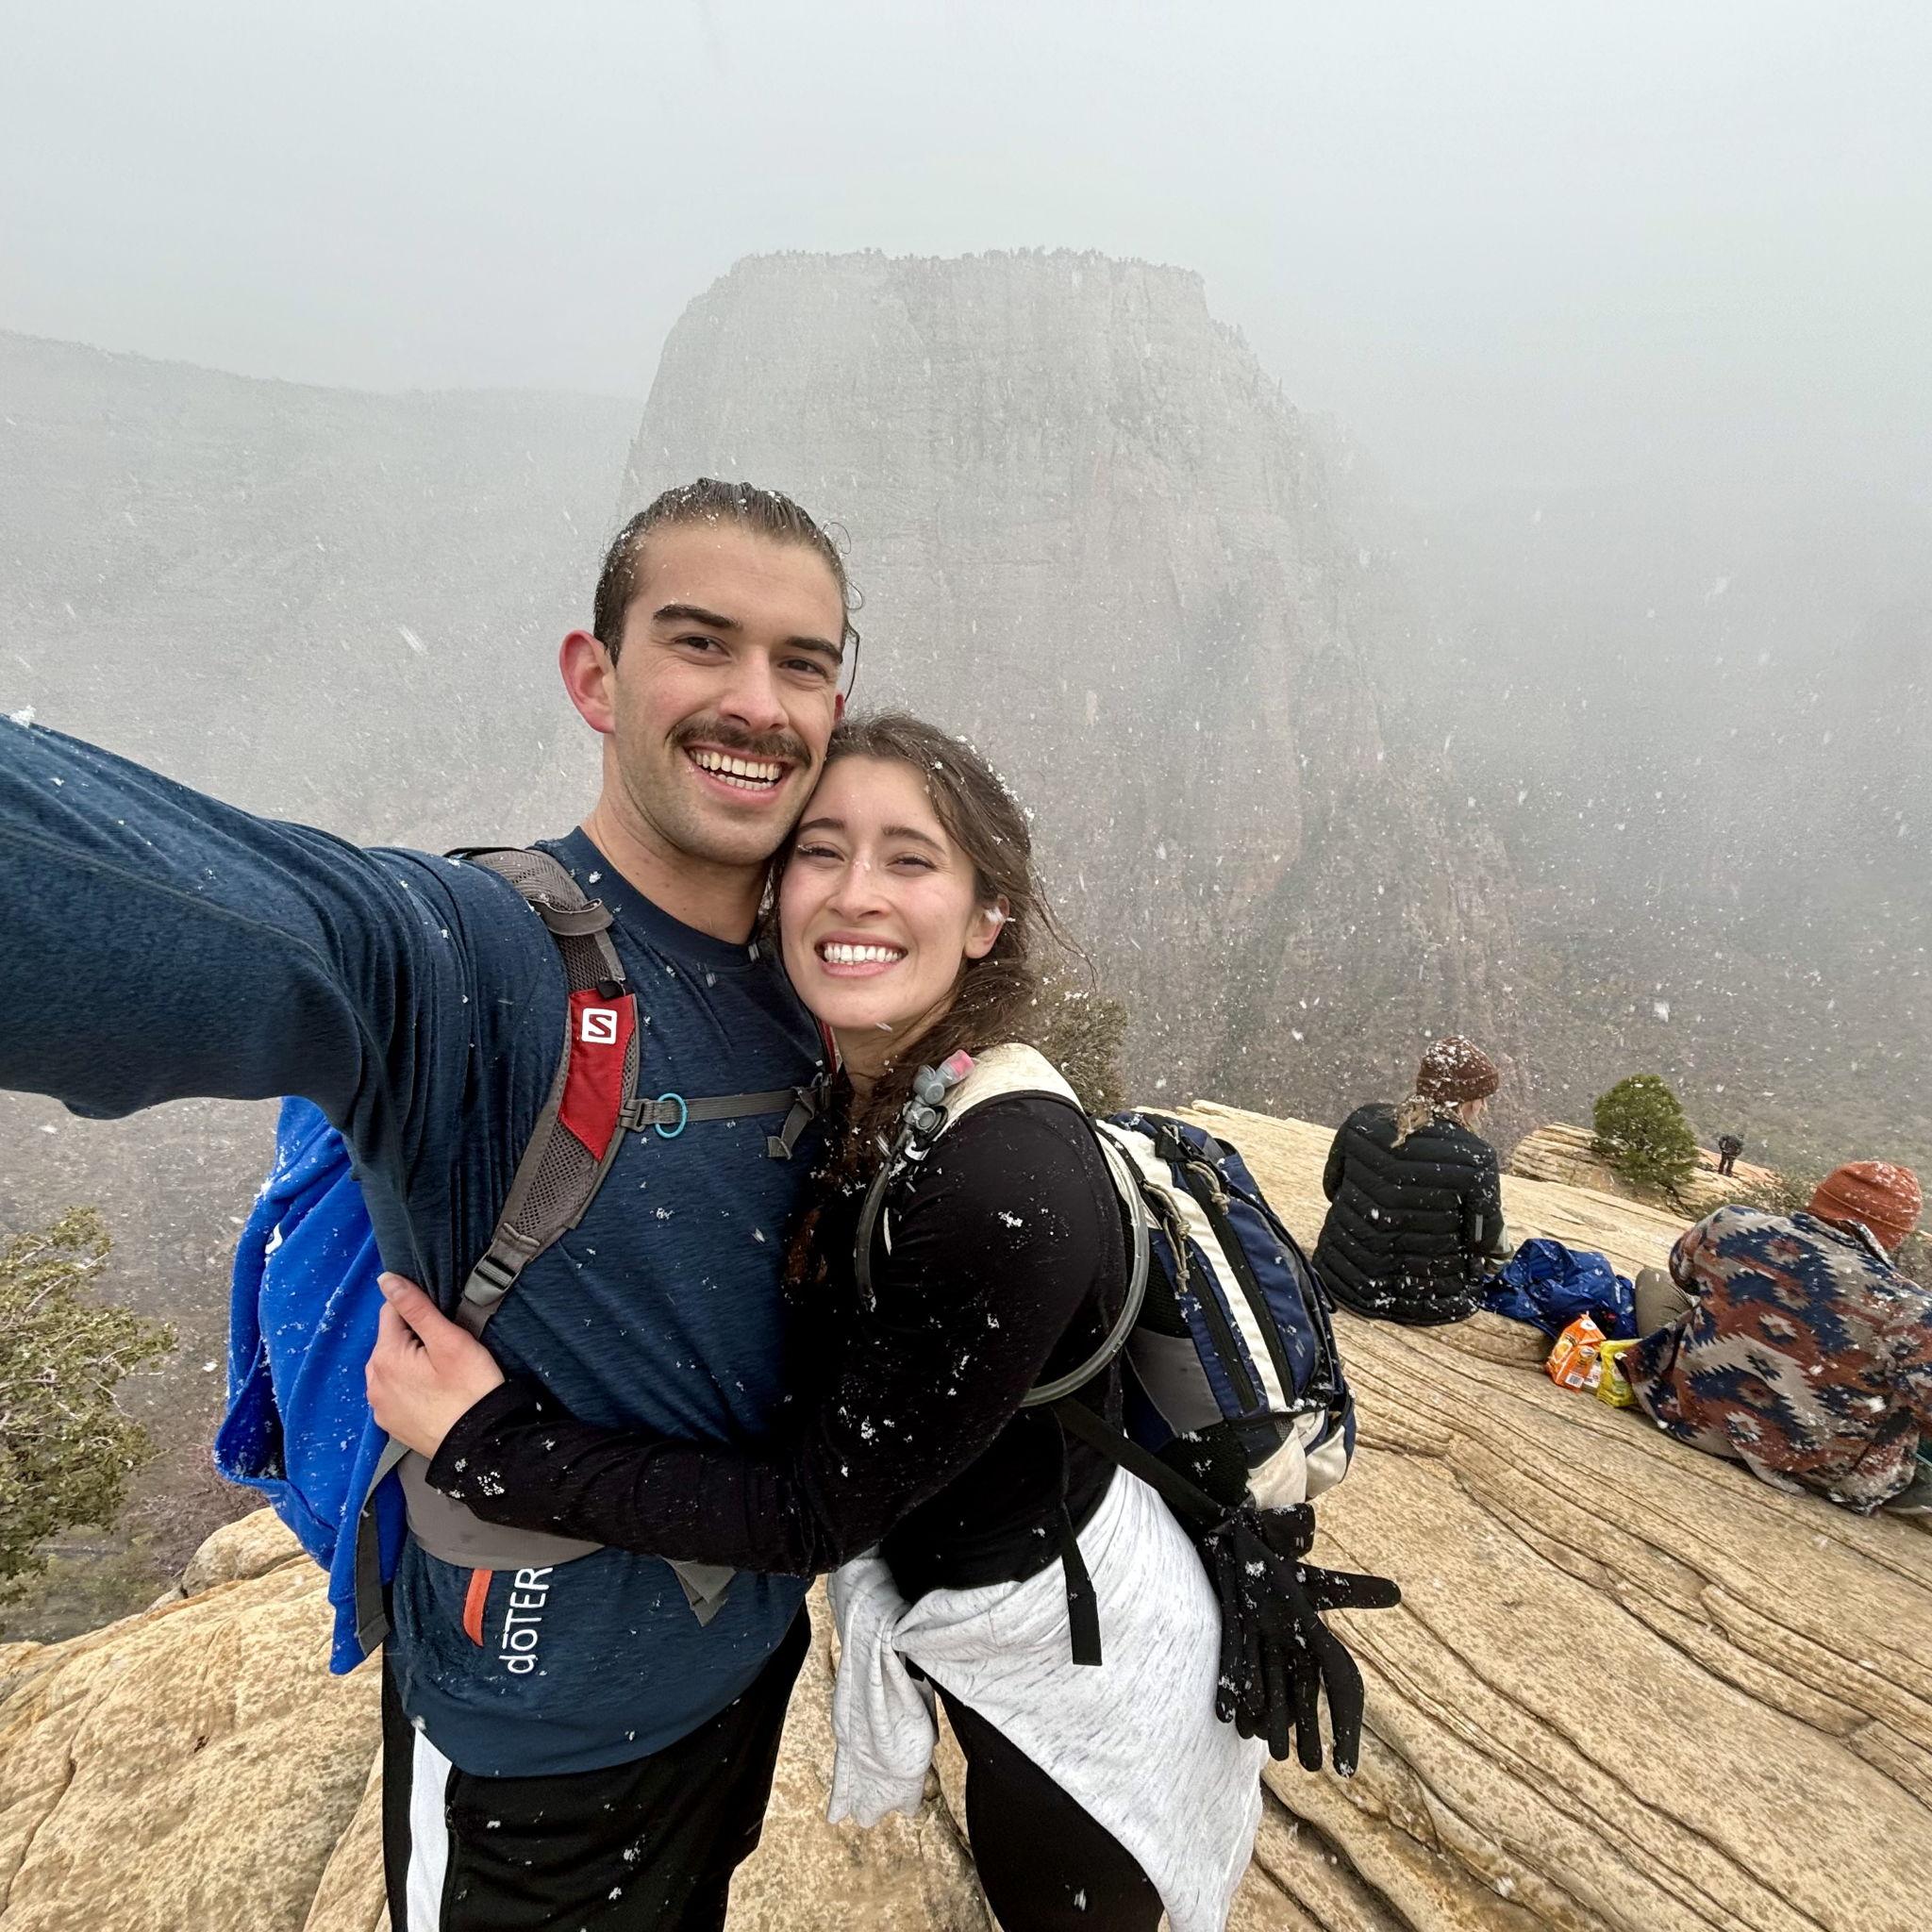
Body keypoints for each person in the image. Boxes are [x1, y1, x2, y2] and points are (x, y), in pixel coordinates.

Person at [0, 479, 858, 1930]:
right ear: (596, 677)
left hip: (738, 1675)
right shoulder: (478, 959)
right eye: (700, 643)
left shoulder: (829, 981)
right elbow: (210, 908)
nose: (756, 703)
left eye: (804, 663)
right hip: (536, 1749)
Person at [366, 713, 1271, 1932]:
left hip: (1084, 1692)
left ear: (985, 916)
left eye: (911, 860)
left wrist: (490, 1444)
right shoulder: (897, 1085)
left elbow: (807, 1513)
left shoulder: (1000, 1181)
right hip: (996, 1623)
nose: (855, 894)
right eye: (820, 851)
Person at [1627, 1162, 1932, 1514]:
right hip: (1819, 1473)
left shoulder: (1730, 1223)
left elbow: (1683, 1276)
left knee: (1654, 1285)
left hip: (1686, 1412)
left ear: (1821, 1197)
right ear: (1895, 1232)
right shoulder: (1910, 1307)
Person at [1312, 1036, 1508, 1324]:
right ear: (1464, 1101)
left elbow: (1332, 1187)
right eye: (1480, 1098)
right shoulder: (1475, 1156)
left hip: (1337, 1279)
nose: (1482, 1106)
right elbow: (1483, 1241)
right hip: (1424, 1303)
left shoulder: (1362, 1120)